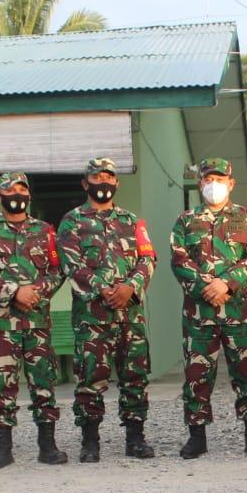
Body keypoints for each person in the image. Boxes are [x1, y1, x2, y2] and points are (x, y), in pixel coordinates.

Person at [57, 157, 158, 462]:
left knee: (135, 376)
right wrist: (103, 288)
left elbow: (147, 258)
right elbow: (70, 264)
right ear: (85, 183)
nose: (104, 182)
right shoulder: (71, 221)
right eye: (97, 177)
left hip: (130, 314)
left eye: (109, 177)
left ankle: (136, 438)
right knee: (90, 377)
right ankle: (90, 441)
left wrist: (130, 287)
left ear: (117, 182)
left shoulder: (132, 221)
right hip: (92, 317)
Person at [0, 171, 69, 467]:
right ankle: (3, 450)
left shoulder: (45, 231)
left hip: (37, 322)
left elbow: (57, 269)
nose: (16, 195)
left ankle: (47, 446)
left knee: (43, 383)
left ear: (29, 195)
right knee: (3, 385)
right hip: (3, 325)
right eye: (9, 190)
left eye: (21, 189)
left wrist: (35, 292)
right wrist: (14, 292)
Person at [169, 158, 247, 459]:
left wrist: (227, 284)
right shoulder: (186, 221)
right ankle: (197, 436)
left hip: (239, 310)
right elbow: (179, 259)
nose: (214, 185)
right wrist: (205, 288)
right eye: (208, 179)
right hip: (200, 314)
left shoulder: (246, 218)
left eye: (220, 179)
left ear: (231, 183)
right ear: (200, 183)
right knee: (197, 375)